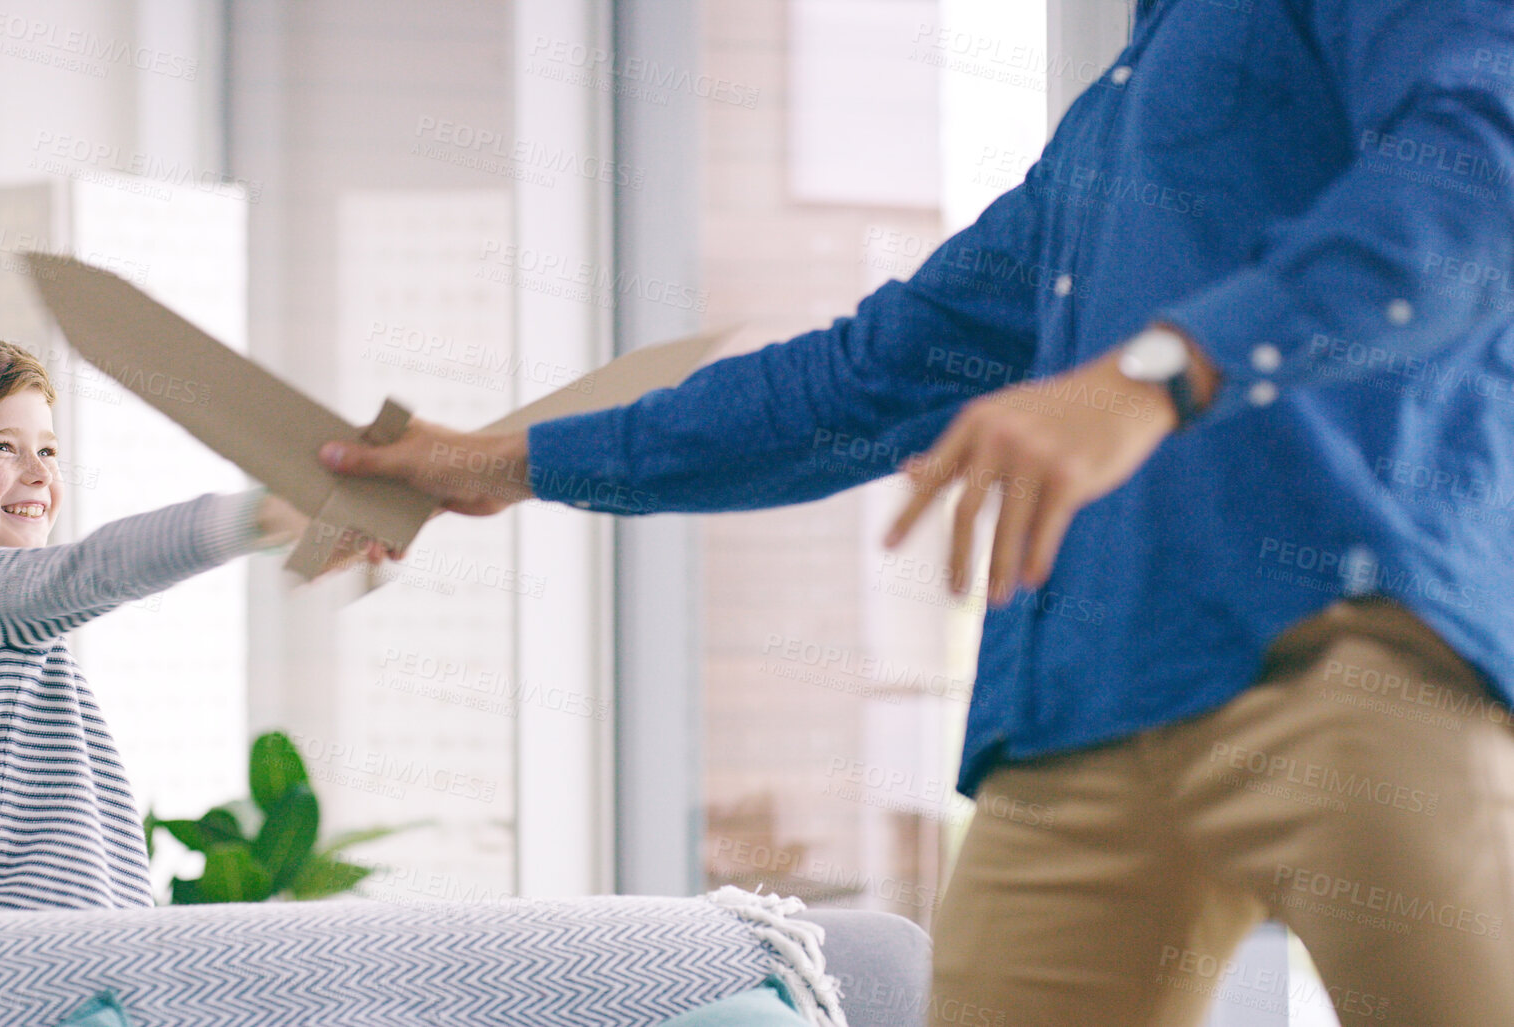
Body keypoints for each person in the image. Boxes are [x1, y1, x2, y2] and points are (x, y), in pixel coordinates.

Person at [317, 1, 1514, 1022]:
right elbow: (865, 375)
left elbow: (1479, 174)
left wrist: (1152, 373)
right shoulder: (1115, 118)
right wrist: (507, 461)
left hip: (1345, 658)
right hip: (1078, 725)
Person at [0, 334, 364, 911]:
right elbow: (93, 570)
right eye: (2, 448)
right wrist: (267, 515)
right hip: (3, 946)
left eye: (46, 451)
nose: (39, 473)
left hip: (40, 953)